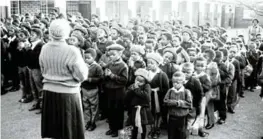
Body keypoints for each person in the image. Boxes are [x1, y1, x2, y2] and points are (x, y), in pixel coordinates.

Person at [40, 19, 88, 139]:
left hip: (49, 92)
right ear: (67, 33)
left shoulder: (44, 47)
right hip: (68, 94)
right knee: (70, 131)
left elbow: (42, 69)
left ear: (50, 32)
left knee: (54, 132)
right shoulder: (72, 50)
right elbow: (81, 76)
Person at [104, 44, 128, 137]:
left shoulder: (123, 66)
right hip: (109, 90)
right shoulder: (109, 64)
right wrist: (105, 75)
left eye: (113, 54)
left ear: (120, 54)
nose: (111, 57)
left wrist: (112, 76)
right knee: (109, 109)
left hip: (118, 91)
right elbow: (105, 76)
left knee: (117, 111)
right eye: (110, 55)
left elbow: (124, 80)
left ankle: (117, 129)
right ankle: (112, 127)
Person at [125, 68, 153, 139]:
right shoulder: (132, 86)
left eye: (141, 81)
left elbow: (147, 97)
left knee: (142, 126)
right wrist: (132, 90)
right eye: (137, 80)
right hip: (133, 109)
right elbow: (126, 97)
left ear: (145, 81)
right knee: (133, 126)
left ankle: (143, 137)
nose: (138, 83)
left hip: (142, 110)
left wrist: (137, 89)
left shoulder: (147, 86)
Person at [146, 52, 169, 138]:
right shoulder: (147, 73)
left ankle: (157, 129)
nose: (150, 65)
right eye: (148, 63)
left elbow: (167, 88)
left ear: (157, 64)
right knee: (150, 113)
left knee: (157, 113)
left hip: (158, 98)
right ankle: (151, 129)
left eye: (152, 63)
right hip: (149, 97)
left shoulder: (162, 75)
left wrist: (158, 90)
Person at [164, 71, 192, 139]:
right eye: (174, 82)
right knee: (171, 134)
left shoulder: (186, 92)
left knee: (181, 134)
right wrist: (174, 102)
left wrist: (177, 103)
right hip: (172, 117)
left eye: (177, 82)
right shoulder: (170, 91)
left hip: (182, 118)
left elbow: (189, 104)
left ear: (183, 82)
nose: (175, 84)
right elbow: (165, 101)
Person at [81, 48, 103, 131]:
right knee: (86, 106)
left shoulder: (97, 67)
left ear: (94, 58)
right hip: (84, 89)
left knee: (94, 107)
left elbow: (101, 78)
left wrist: (89, 79)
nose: (86, 60)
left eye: (88, 58)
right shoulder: (83, 65)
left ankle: (93, 122)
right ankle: (88, 121)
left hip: (93, 89)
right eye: (85, 58)